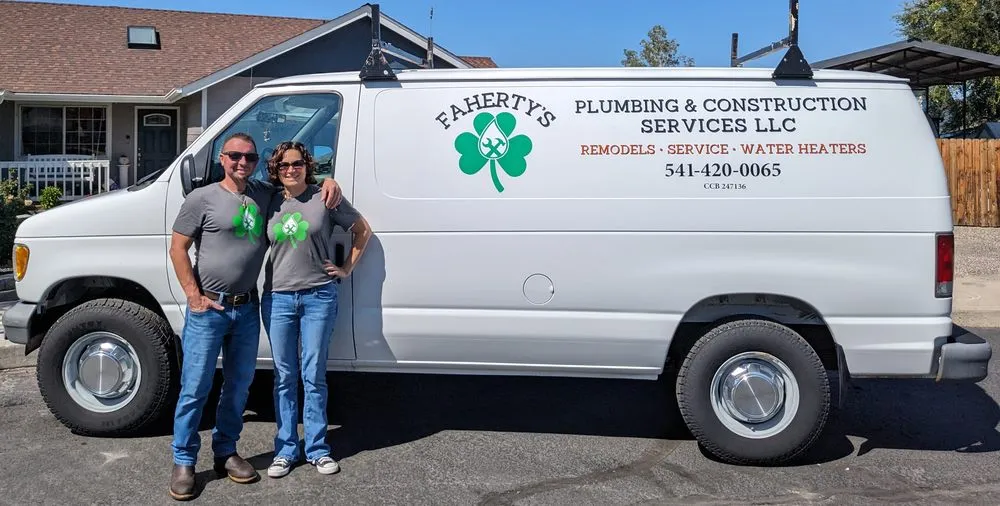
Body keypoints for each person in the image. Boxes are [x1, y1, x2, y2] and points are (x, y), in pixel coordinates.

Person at [167, 132, 343, 501]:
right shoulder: (201, 198)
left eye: (249, 157)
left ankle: (226, 452)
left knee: (238, 387)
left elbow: (296, 185)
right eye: (234, 156)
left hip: (247, 307)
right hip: (209, 308)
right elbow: (178, 248)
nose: (241, 163)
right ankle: (184, 461)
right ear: (222, 159)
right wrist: (193, 295)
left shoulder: (264, 193)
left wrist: (328, 179)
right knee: (195, 387)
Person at [259, 141, 372, 479]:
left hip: (318, 297)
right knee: (284, 376)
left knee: (313, 375)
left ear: (308, 166)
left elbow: (362, 230)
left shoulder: (325, 197)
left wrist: (346, 268)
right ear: (276, 171)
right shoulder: (268, 200)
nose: (291, 170)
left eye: (297, 164)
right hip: (278, 298)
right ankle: (286, 449)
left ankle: (318, 449)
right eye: (283, 166)